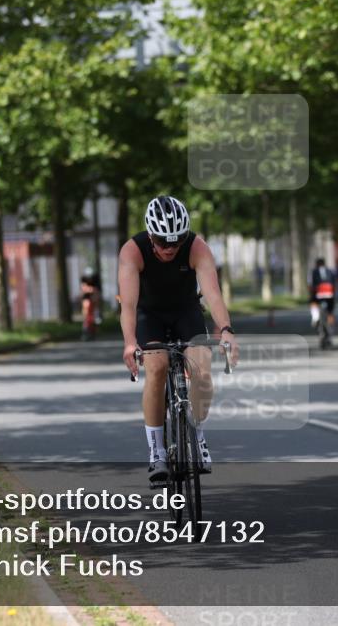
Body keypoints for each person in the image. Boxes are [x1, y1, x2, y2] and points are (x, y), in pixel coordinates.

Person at [118, 195, 240, 483]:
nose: (170, 248)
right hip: (149, 314)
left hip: (186, 310)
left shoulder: (197, 247)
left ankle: (197, 436)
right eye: (163, 242)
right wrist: (130, 342)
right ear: (151, 236)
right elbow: (128, 306)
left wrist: (226, 330)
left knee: (202, 370)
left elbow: (213, 295)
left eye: (177, 241)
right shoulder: (132, 252)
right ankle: (157, 452)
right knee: (157, 367)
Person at [309, 257, 337, 336]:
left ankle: (315, 317)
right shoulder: (330, 271)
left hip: (318, 292)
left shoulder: (313, 272)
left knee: (313, 303)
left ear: (316, 264)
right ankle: (331, 327)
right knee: (330, 311)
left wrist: (311, 293)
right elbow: (334, 283)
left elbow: (310, 284)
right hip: (329, 292)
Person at [79, 267, 101, 341]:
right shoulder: (83, 279)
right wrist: (90, 289)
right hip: (86, 297)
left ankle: (96, 316)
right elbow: (83, 289)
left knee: (93, 314)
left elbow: (96, 291)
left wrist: (92, 291)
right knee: (86, 311)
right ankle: (86, 329)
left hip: (94, 298)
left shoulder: (96, 280)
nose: (89, 279)